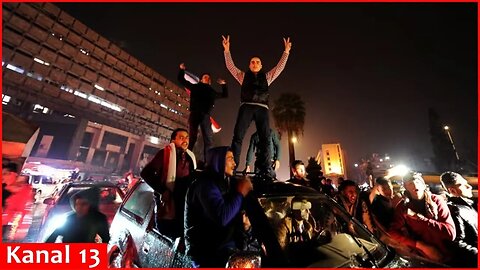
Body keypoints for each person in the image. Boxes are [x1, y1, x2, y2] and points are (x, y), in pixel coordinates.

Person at [222, 35, 292, 178]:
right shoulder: (242, 76)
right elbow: (230, 67)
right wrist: (227, 51)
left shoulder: (266, 77)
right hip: (246, 107)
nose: (254, 63)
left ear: (261, 66)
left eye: (257, 62)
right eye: (252, 62)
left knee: (265, 138)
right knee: (238, 136)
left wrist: (286, 52)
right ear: (249, 65)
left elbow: (279, 68)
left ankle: (265, 169)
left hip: (262, 108)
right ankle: (232, 167)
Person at [184, 146, 253, 267]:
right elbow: (222, 217)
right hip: (206, 255)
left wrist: (246, 228)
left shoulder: (228, 183)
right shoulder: (205, 185)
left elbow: (235, 214)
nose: (235, 163)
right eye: (230, 159)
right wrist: (240, 193)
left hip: (224, 252)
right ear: (218, 160)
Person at [388, 172, 455, 264]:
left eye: (418, 181)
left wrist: (420, 219)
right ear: (406, 188)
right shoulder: (403, 207)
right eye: (410, 183)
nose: (415, 185)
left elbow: (450, 234)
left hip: (447, 253)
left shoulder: (436, 201)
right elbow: (393, 232)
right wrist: (420, 245)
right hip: (423, 257)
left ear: (424, 185)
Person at [141, 128, 197, 238]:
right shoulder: (165, 154)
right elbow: (146, 173)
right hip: (168, 199)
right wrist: (162, 190)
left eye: (187, 138)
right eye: (181, 138)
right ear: (173, 140)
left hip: (184, 201)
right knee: (168, 230)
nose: (185, 140)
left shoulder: (190, 157)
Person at [177, 63, 228, 161]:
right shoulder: (195, 87)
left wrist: (224, 85)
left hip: (205, 116)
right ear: (201, 79)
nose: (207, 78)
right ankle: (186, 159)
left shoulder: (212, 92)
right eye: (205, 77)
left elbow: (224, 95)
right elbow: (181, 80)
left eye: (209, 78)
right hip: (195, 113)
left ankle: (207, 162)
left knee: (208, 140)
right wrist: (181, 70)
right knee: (192, 137)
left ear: (210, 82)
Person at [45, 187, 110, 243]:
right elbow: (55, 234)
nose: (79, 207)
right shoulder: (70, 218)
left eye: (83, 204)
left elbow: (106, 239)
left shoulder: (98, 219)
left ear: (90, 206)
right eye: (77, 204)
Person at [440, 171, 477, 267]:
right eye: (463, 185)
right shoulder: (454, 211)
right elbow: (456, 243)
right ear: (452, 191)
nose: (469, 186)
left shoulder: (470, 206)